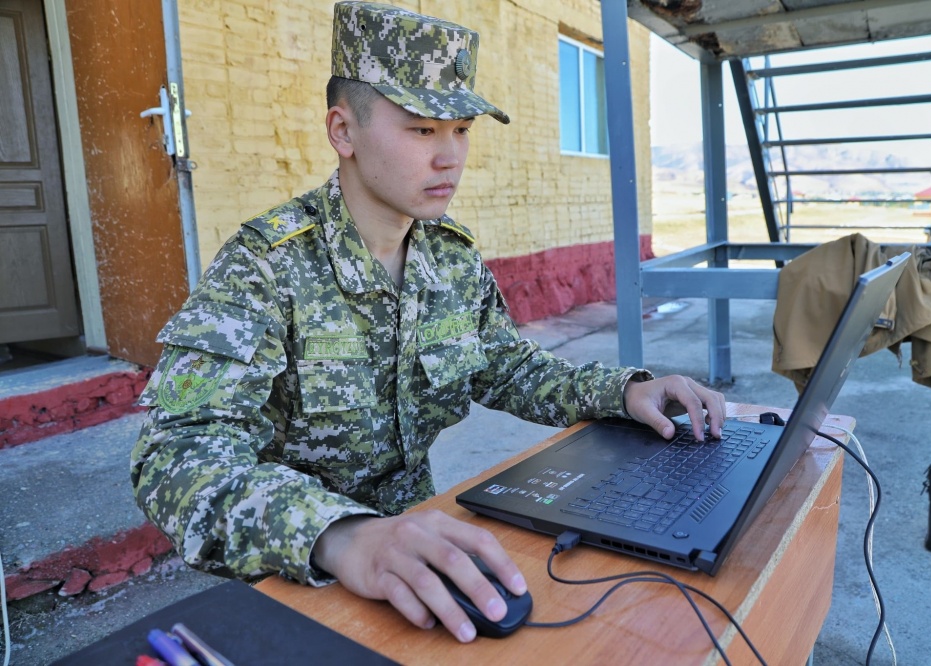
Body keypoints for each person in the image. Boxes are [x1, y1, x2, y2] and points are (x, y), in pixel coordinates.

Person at [131, 1, 725, 644]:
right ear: (343, 131)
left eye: (461, 129)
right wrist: (342, 535)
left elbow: (504, 366)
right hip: (301, 573)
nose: (450, 157)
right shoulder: (265, 266)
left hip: (429, 553)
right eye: (421, 129)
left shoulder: (449, 256)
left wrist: (624, 392)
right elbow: (176, 455)